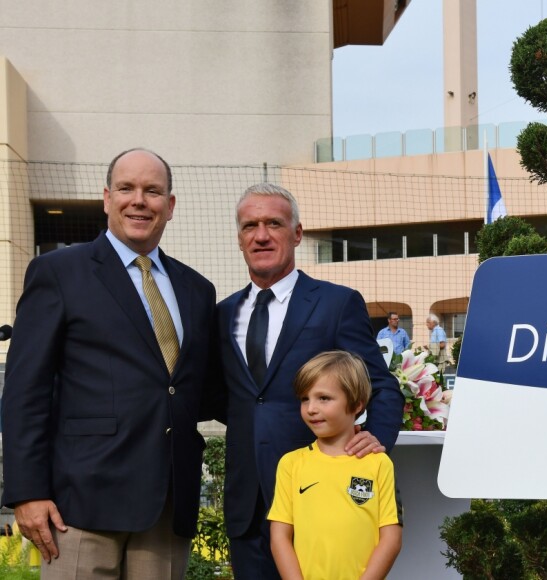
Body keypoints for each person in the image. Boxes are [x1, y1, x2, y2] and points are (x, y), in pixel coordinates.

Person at [1, 148, 218, 579]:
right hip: (79, 504)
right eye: (126, 188)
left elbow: (203, 390)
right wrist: (26, 492)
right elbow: (26, 389)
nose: (139, 200)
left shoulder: (197, 289)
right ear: (106, 198)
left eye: (153, 191)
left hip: (166, 504)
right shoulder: (58, 272)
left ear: (170, 206)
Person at [217, 183, 404, 579]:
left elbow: (381, 384)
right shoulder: (222, 313)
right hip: (247, 505)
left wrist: (378, 436)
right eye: (250, 226)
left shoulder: (336, 303)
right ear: (239, 239)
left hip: (324, 501)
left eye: (274, 223)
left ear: (297, 233)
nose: (262, 235)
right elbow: (227, 398)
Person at [268, 351, 403, 579]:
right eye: (305, 398)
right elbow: (279, 536)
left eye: (324, 398)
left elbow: (391, 538)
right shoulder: (290, 464)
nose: (311, 408)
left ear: (356, 404)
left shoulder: (379, 463)